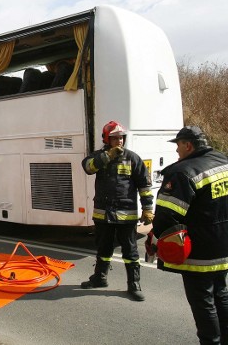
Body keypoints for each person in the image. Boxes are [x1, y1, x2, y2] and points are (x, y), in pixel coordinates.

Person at [151, 126, 228, 344]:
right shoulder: (223, 160)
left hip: (199, 251)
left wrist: (157, 240)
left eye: (178, 145)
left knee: (203, 301)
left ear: (188, 145)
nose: (177, 151)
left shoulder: (183, 172)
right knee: (221, 294)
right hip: (223, 245)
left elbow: (167, 217)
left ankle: (210, 341)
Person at [80, 120, 154, 301]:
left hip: (126, 214)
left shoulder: (133, 158)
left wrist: (147, 209)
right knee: (103, 248)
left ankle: (134, 285)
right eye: (115, 138)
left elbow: (144, 185)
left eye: (121, 138)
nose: (119, 141)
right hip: (103, 214)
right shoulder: (99, 157)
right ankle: (100, 278)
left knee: (130, 252)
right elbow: (88, 167)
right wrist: (107, 156)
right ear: (107, 139)